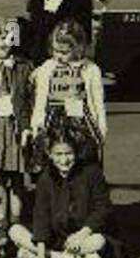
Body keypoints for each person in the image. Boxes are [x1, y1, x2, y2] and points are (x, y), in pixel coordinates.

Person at [10, 133, 113, 258]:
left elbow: (103, 208)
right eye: (58, 154)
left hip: (84, 235)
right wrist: (40, 255)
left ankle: (47, 255)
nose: (64, 160)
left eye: (68, 153)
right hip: (55, 237)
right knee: (15, 230)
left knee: (98, 241)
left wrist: (81, 234)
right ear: (50, 154)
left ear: (76, 152)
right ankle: (60, 257)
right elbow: (41, 215)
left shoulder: (92, 173)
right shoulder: (45, 177)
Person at [30, 19, 107, 170]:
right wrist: (36, 125)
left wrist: (101, 129)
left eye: (64, 52)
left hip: (81, 123)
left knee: (83, 163)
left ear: (78, 48)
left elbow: (98, 102)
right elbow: (40, 99)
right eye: (55, 51)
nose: (59, 56)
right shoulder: (47, 68)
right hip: (53, 122)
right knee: (55, 163)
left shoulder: (90, 69)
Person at [0, 15, 36, 221]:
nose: (1, 44)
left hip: (14, 127)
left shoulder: (23, 66)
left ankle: (16, 220)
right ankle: (0, 220)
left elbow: (31, 99)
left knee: (17, 178)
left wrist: (28, 126)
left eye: (5, 38)